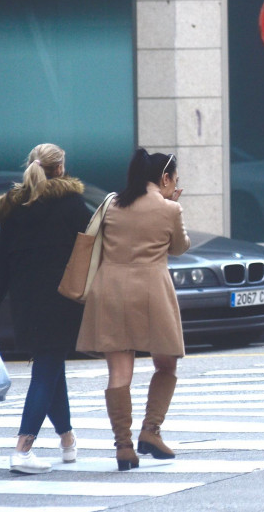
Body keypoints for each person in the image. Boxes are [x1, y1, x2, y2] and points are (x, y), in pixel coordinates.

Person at [0, 143, 91, 474]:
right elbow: (95, 245)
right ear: (60, 168)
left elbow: (2, 264)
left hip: (26, 304)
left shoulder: (15, 208)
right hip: (62, 301)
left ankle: (67, 440)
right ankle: (22, 449)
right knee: (46, 371)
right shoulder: (71, 204)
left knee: (51, 367)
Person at [75, 148, 189, 471]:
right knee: (166, 364)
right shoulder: (170, 208)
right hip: (152, 292)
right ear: (165, 178)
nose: (175, 185)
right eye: (174, 180)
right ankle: (150, 431)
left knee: (119, 375)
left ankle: (123, 446)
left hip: (110, 291)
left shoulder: (112, 204)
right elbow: (180, 247)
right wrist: (176, 206)